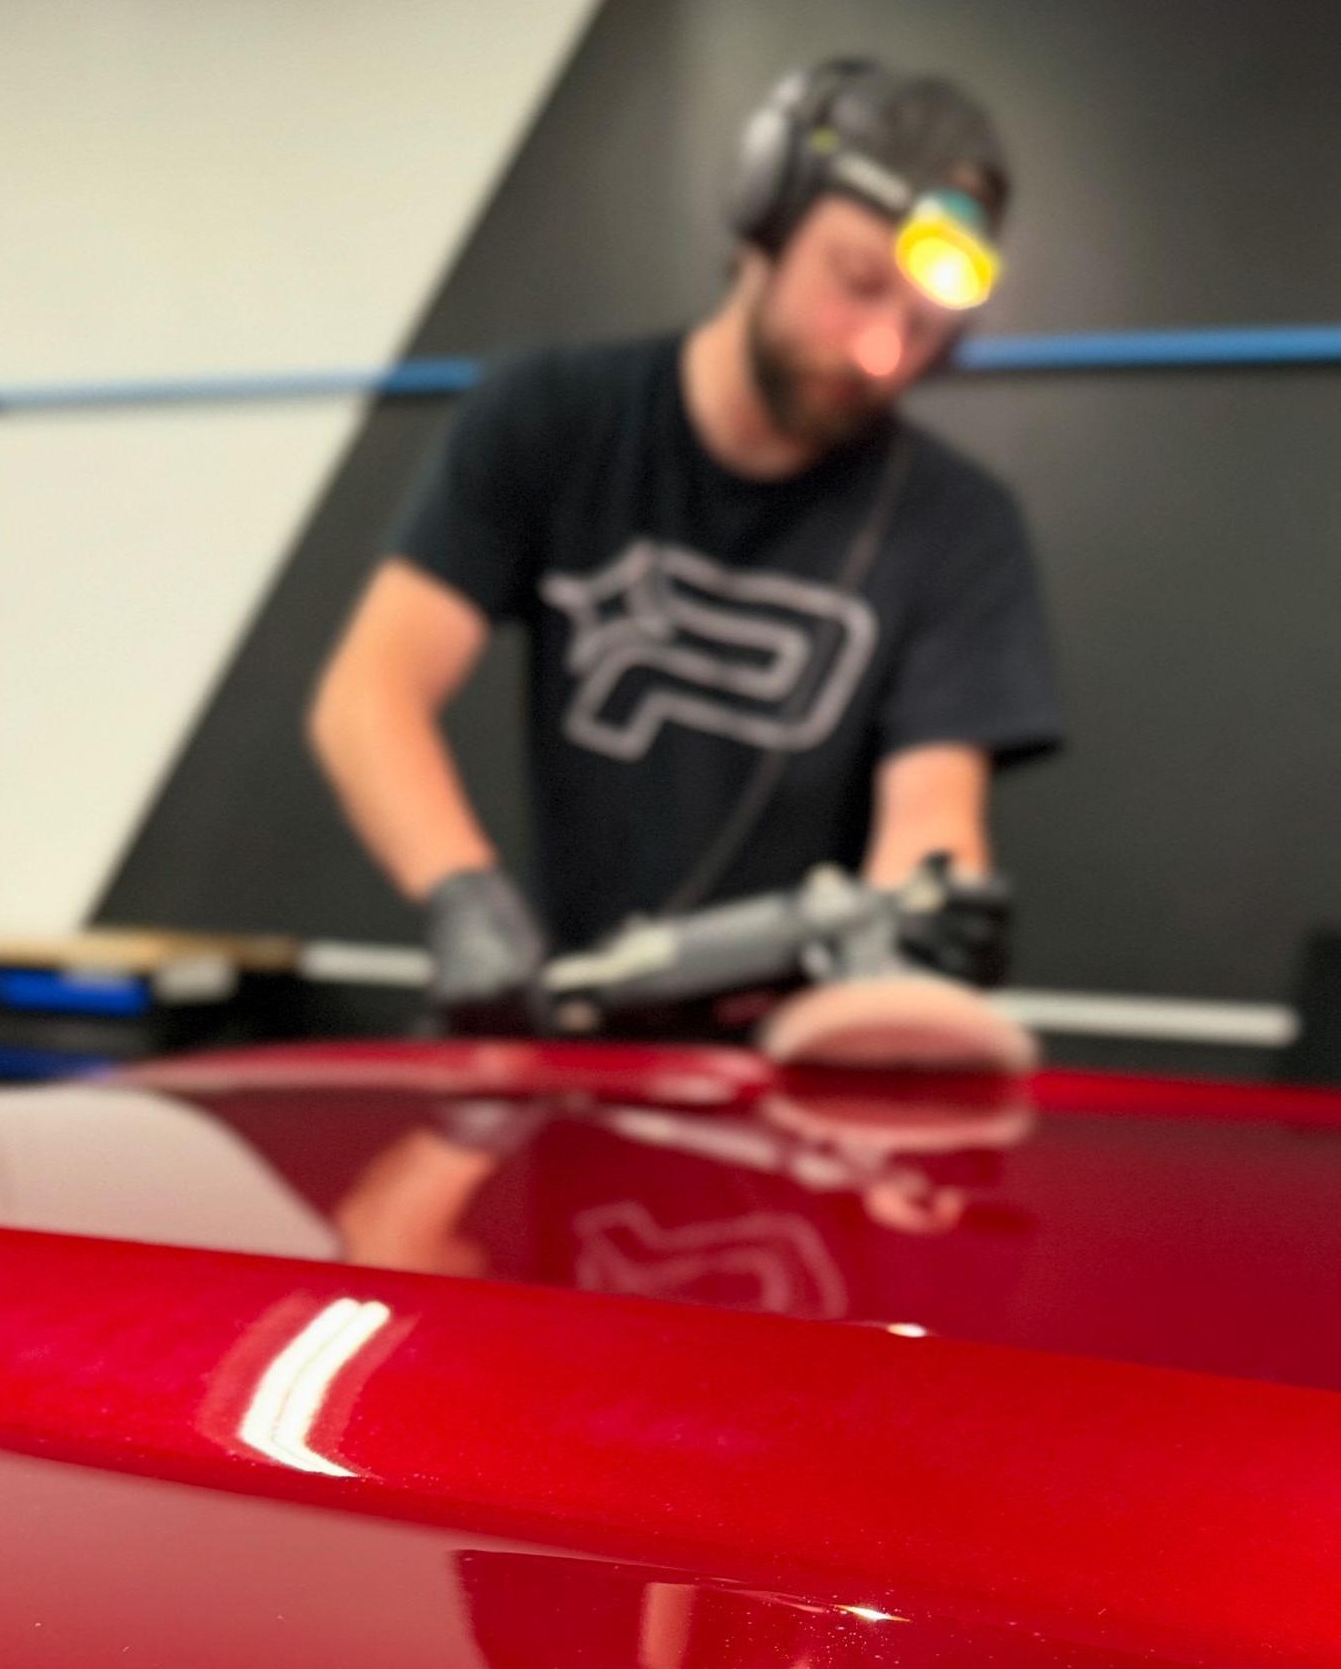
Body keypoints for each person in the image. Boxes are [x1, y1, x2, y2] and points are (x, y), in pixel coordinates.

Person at [308, 56, 1064, 1025]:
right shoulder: (549, 419)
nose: (881, 349)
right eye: (858, 282)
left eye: (921, 326)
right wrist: (461, 894)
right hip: (571, 1031)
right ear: (764, 219)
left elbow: (932, 813)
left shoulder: (958, 526)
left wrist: (919, 925)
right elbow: (369, 692)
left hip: (798, 1056)